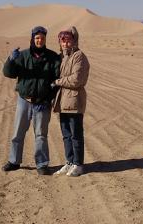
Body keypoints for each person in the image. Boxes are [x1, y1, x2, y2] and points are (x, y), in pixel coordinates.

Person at [1, 26, 61, 175]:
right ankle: (14, 161)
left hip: (42, 103)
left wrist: (48, 98)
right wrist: (10, 60)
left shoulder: (52, 57)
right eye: (37, 38)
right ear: (33, 39)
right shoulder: (22, 56)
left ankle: (42, 164)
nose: (39, 40)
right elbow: (8, 73)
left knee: (41, 134)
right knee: (17, 133)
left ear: (45, 39)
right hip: (24, 101)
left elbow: (56, 80)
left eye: (42, 38)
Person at [52, 26, 90, 177]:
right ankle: (69, 162)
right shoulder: (62, 57)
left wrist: (58, 81)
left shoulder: (79, 56)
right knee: (66, 135)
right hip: (62, 102)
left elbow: (77, 80)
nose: (65, 43)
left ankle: (78, 164)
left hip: (74, 102)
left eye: (68, 40)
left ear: (74, 40)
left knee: (76, 134)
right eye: (62, 40)